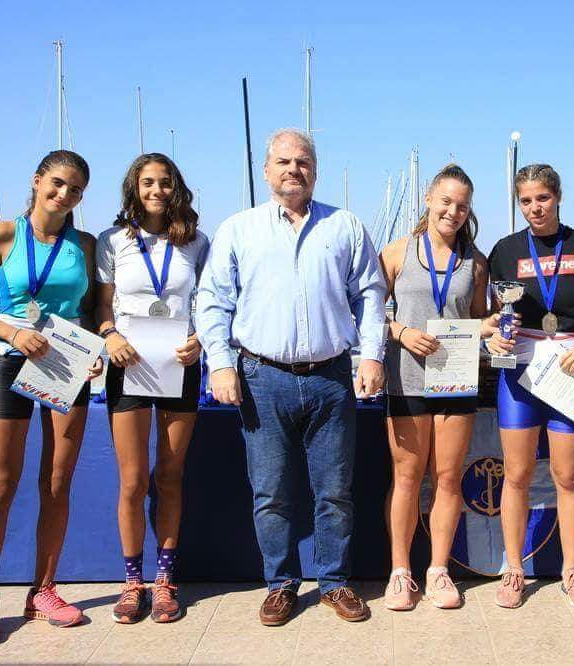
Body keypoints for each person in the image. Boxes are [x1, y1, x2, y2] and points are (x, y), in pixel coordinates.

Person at [196, 128, 386, 625]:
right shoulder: (238, 229)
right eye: (283, 161)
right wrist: (220, 362)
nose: (293, 170)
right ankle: (280, 584)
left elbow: (370, 295)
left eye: (302, 162)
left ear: (315, 171)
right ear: (266, 171)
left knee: (335, 492)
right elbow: (212, 302)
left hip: (331, 378)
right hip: (263, 378)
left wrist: (372, 356)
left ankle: (334, 582)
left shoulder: (345, 226)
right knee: (272, 493)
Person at [0, 150, 103, 645]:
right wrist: (13, 333)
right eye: (57, 183)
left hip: (67, 365)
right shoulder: (2, 235)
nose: (64, 194)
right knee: (0, 482)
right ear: (38, 181)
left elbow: (91, 309)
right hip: (10, 358)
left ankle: (44, 591)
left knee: (57, 482)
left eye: (75, 189)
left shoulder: (84, 244)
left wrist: (95, 349)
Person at [486, 164, 574, 609]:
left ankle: (572, 570)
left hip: (569, 371)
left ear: (558, 197)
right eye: (525, 200)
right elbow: (494, 314)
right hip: (520, 374)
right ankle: (514, 569)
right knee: (517, 475)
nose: (534, 208)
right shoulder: (505, 250)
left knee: (567, 476)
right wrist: (495, 335)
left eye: (542, 198)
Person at [95, 153, 210, 624]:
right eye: (147, 183)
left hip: (179, 364)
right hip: (129, 366)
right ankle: (132, 582)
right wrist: (109, 335)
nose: (156, 191)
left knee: (169, 476)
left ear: (175, 187)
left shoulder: (197, 241)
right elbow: (101, 306)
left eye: (164, 182)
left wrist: (202, 339)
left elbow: (210, 303)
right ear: (134, 189)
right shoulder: (112, 241)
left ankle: (164, 581)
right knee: (132, 480)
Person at [379, 164, 489, 610]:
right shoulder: (397, 253)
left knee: (447, 478)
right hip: (406, 378)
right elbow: (367, 314)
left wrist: (493, 328)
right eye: (446, 201)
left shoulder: (475, 262)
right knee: (406, 478)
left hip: (456, 378)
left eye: (462, 206)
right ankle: (400, 572)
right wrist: (402, 332)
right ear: (428, 199)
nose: (453, 212)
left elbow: (478, 318)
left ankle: (439, 570)